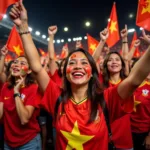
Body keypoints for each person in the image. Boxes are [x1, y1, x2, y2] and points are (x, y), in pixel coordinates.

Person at [9, 1, 150, 149]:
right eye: (72, 63)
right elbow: (37, 68)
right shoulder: (55, 96)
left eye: (84, 63)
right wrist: (23, 27)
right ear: (65, 73)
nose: (77, 66)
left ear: (91, 74)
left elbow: (134, 80)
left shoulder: (107, 99)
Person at [0, 56, 42, 150]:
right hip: (8, 143)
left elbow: (24, 119)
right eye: (15, 62)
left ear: (29, 70)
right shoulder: (6, 87)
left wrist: (16, 92)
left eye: (22, 63)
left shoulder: (33, 88)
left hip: (28, 143)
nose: (16, 65)